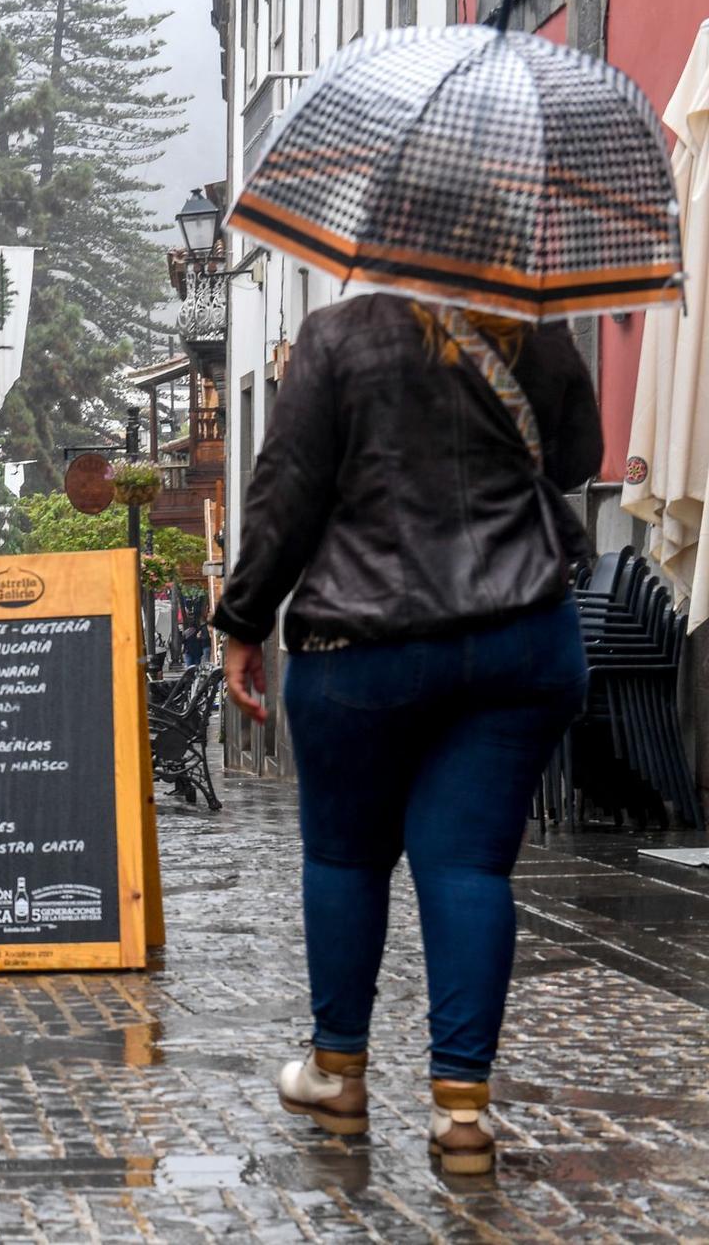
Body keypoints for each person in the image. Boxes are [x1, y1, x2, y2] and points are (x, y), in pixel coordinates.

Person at [215, 295, 599, 1176]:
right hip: (521, 632)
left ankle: (337, 1069)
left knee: (347, 857)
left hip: (364, 640)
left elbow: (287, 489)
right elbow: (581, 459)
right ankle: (463, 1111)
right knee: (468, 865)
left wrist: (244, 618)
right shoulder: (532, 327)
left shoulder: (338, 336)